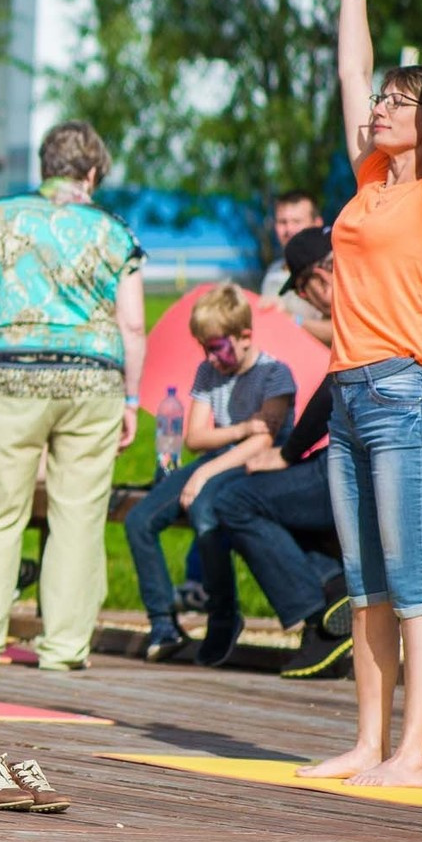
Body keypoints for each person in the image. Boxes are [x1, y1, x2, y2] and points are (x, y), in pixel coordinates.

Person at [296, 0, 422, 789]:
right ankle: (368, 744)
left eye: (395, 105)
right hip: (350, 394)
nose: (379, 108)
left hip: (408, 392)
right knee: (365, 584)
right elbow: (351, 71)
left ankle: (414, 753)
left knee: (411, 583)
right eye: (383, 103)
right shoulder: (368, 185)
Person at [0, 121, 147, 671]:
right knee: (78, 514)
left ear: (45, 167)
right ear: (91, 174)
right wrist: (132, 399)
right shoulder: (117, 231)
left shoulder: (3, 216)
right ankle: (63, 647)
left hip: (14, 376)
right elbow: (132, 324)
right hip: (94, 381)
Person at [200, 228, 354, 680]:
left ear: (320, 279)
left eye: (305, 292)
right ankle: (332, 587)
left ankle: (319, 617)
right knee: (269, 495)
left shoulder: (358, 313)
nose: (310, 302)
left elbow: (330, 392)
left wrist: (287, 454)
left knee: (237, 501)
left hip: (353, 464)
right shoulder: (381, 298)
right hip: (373, 458)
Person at [119, 282, 298, 663]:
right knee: (139, 520)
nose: (211, 357)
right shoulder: (208, 372)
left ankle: (223, 615)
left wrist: (203, 475)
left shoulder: (275, 375)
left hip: (254, 468)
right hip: (218, 457)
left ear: (244, 336)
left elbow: (261, 442)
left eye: (216, 347)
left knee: (204, 512)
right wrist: (236, 430)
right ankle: (163, 621)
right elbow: (197, 437)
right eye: (204, 348)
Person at [260, 191, 320, 299]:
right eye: (282, 222)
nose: (289, 230)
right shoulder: (273, 272)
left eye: (297, 221)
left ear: (317, 224)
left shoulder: (330, 273)